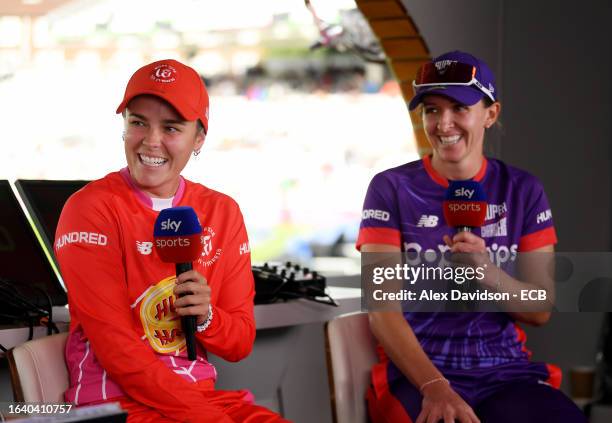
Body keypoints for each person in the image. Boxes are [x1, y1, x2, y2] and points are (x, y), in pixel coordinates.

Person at [357, 51, 587, 423]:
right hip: (419, 376)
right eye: (431, 110)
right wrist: (435, 386)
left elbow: (540, 308)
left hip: (506, 374)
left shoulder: (523, 189)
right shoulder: (390, 188)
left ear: (490, 114)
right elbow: (382, 311)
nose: (443, 123)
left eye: (458, 108)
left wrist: (487, 271)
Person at [55, 59, 289, 422]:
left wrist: (207, 317)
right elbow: (119, 352)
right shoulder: (89, 208)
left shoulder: (222, 211)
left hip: (200, 400)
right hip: (116, 404)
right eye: (137, 123)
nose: (151, 141)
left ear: (198, 139)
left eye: (171, 127)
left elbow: (240, 342)